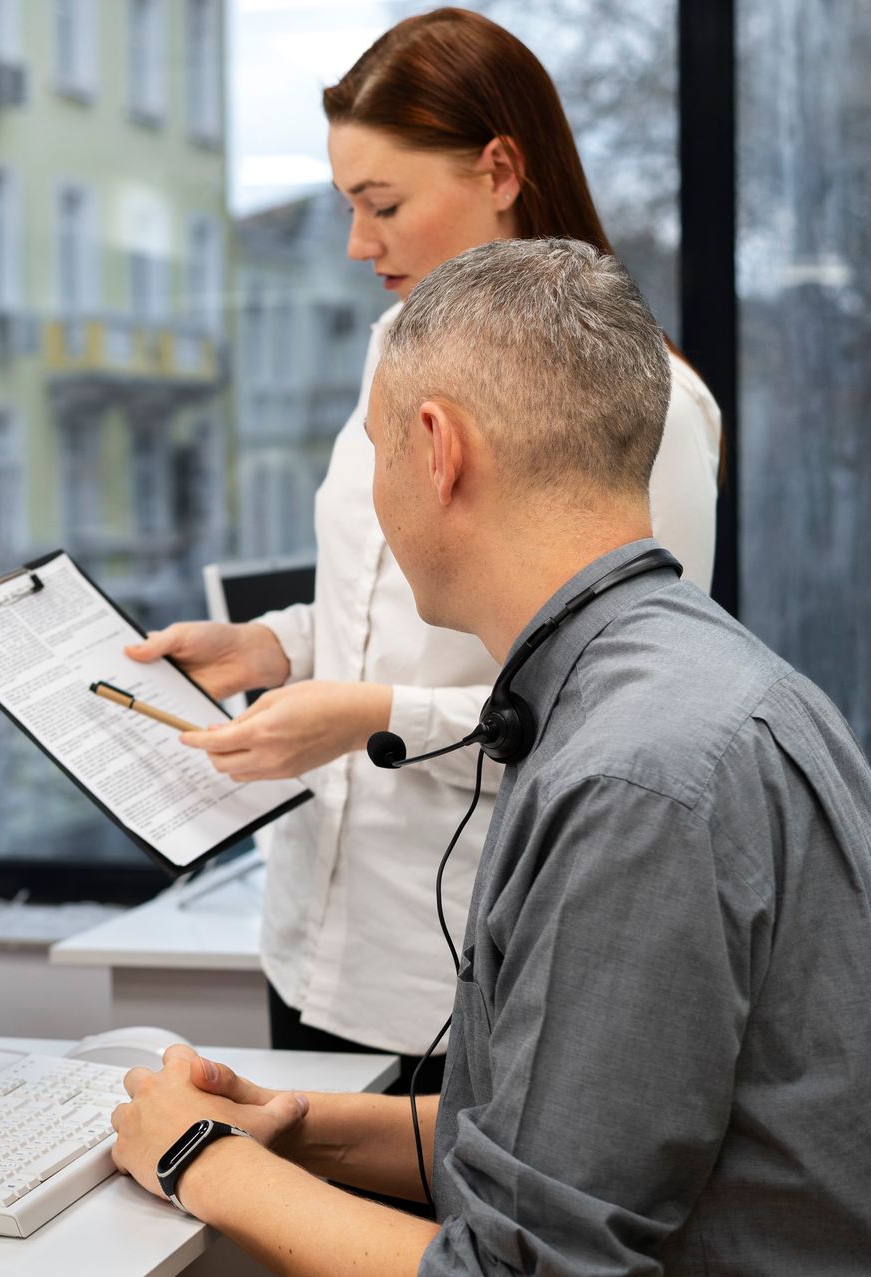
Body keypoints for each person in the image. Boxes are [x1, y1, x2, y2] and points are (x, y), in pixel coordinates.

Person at [108, 239, 871, 1273]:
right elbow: (559, 1145)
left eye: (376, 452)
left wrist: (200, 1158)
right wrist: (289, 1122)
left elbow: (524, 1267)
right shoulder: (692, 679)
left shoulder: (632, 779)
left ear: (437, 449)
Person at [126, 8, 722, 1083]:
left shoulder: (655, 410)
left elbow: (632, 711)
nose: (359, 243)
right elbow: (378, 608)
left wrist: (371, 718)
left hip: (469, 964)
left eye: (383, 203)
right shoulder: (400, 352)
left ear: (500, 168)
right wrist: (277, 648)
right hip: (315, 940)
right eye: (348, 205)